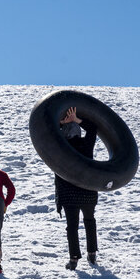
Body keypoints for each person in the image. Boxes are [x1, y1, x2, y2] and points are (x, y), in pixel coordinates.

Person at [56, 106, 99, 270]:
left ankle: (74, 258)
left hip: (68, 193)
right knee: (90, 221)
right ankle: (92, 254)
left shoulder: (60, 147)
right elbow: (93, 128)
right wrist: (76, 120)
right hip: (88, 191)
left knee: (72, 226)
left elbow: (49, 135)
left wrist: (61, 123)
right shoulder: (86, 145)